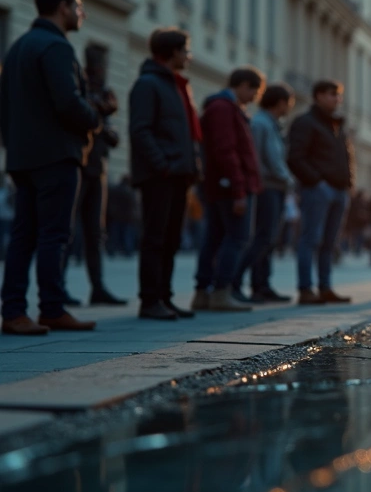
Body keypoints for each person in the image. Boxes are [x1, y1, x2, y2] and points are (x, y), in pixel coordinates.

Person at [0, 0, 105, 334]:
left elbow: (4, 108)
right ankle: (52, 308)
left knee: (23, 235)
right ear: (62, 7)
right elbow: (68, 103)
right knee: (54, 234)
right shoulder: (56, 47)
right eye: (77, 6)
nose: (81, 13)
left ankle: (13, 311)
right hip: (57, 153)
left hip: (22, 156)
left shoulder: (18, 48)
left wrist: (13, 146)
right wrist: (95, 118)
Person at [128, 28, 200, 320]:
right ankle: (150, 300)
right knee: (155, 238)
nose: (189, 56)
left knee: (171, 239)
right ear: (172, 52)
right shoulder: (148, 84)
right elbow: (140, 129)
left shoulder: (177, 85)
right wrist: (163, 164)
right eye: (186, 50)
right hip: (161, 174)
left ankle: (165, 297)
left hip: (179, 173)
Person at [191, 68, 264, 312]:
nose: (254, 96)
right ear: (243, 85)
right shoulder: (224, 108)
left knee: (214, 237)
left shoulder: (225, 108)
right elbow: (227, 151)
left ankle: (202, 294)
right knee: (239, 237)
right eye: (254, 90)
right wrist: (239, 189)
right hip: (229, 185)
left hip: (221, 184)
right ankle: (221, 291)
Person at [287, 80, 355, 305]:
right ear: (317, 96)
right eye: (331, 95)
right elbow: (295, 157)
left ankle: (325, 287)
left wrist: (348, 183)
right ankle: (306, 289)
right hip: (319, 190)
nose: (336, 99)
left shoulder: (337, 125)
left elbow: (346, 157)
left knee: (330, 242)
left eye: (338, 95)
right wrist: (316, 182)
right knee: (310, 239)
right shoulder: (306, 122)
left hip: (339, 190)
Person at [74, 44, 125, 306]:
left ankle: (98, 287)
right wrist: (99, 116)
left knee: (96, 232)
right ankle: (57, 288)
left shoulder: (104, 94)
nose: (101, 72)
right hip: (80, 166)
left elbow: (112, 133)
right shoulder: (82, 87)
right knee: (68, 229)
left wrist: (103, 121)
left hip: (98, 169)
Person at [234, 83, 295, 303]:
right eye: (288, 102)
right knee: (263, 237)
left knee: (269, 239)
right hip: (267, 186)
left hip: (274, 186)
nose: (289, 107)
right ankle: (234, 281)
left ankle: (262, 285)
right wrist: (289, 180)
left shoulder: (271, 124)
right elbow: (267, 158)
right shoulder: (262, 124)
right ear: (280, 102)